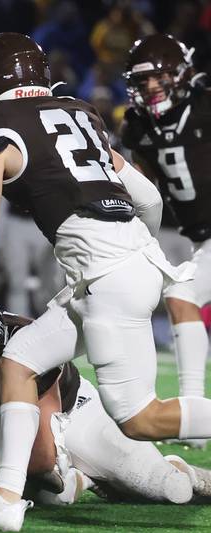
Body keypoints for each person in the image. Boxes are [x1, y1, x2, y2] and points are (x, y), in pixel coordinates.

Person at [0, 33, 211, 531]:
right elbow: (148, 198)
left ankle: (5, 497)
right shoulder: (79, 112)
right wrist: (132, 252)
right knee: (18, 361)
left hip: (108, 275)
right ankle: (4, 500)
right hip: (118, 266)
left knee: (140, 418)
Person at [0, 299, 211, 506]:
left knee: (173, 489)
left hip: (76, 415)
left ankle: (178, 469)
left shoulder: (27, 348)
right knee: (48, 496)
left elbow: (40, 457)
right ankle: (80, 479)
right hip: (9, 431)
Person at [120, 34, 211, 449]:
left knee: (181, 293)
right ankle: (192, 413)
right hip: (201, 239)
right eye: (144, 84)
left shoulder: (205, 106)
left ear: (181, 74)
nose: (151, 91)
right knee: (180, 295)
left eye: (158, 81)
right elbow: (144, 186)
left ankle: (192, 412)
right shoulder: (139, 127)